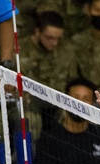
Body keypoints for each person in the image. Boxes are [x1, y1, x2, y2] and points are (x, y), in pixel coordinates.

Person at [18, 10, 77, 140]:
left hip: (57, 104)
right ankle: (28, 159)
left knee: (72, 118)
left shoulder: (66, 51)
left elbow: (72, 83)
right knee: (31, 120)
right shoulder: (19, 50)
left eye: (58, 39)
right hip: (26, 103)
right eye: (49, 38)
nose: (54, 43)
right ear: (37, 32)